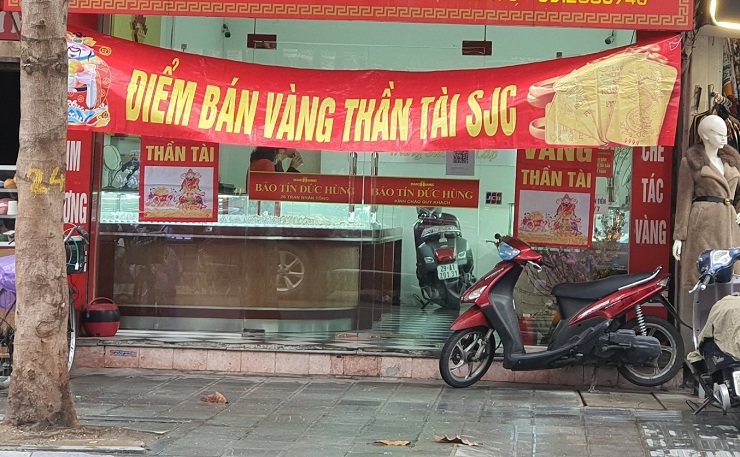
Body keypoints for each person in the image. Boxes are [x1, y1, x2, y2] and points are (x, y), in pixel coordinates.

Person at [673, 114, 740, 287]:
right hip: (703, 226)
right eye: (719, 133)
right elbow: (683, 200)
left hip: (730, 225)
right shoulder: (691, 163)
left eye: (725, 134)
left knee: (730, 280)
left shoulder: (733, 162)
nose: (724, 138)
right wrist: (679, 237)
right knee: (704, 275)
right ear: (706, 135)